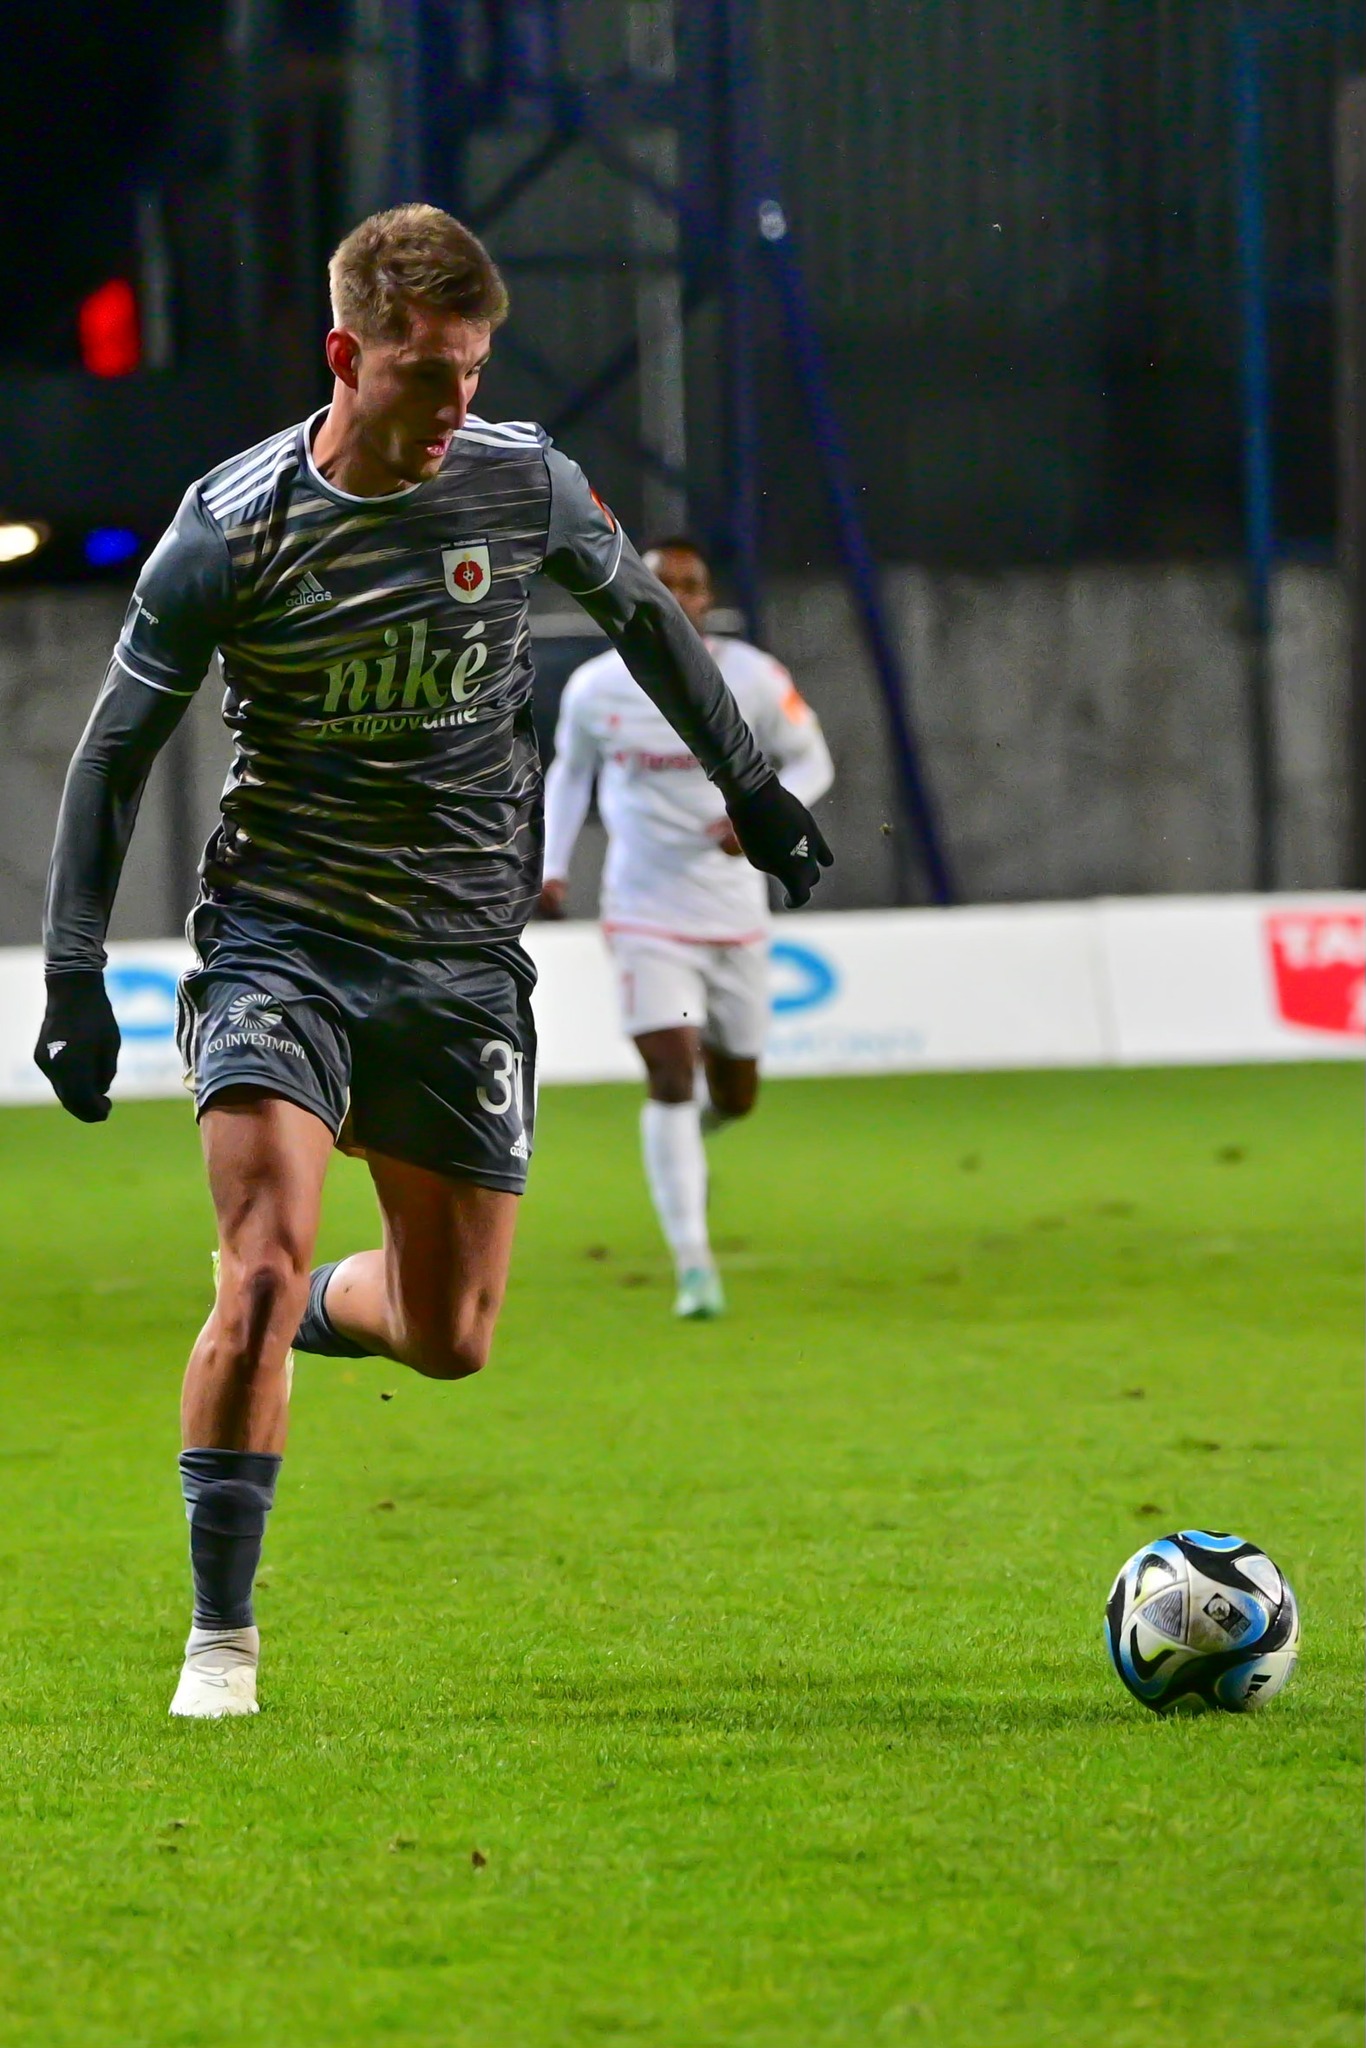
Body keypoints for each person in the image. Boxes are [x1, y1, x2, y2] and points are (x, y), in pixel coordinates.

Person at [35, 205, 832, 1719]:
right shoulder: (233, 523)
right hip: (283, 942)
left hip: (460, 959)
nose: (456, 401)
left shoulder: (522, 480)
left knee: (452, 1334)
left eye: (472, 370)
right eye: (424, 372)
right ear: (347, 357)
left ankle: (309, 1306)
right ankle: (221, 1642)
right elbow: (112, 753)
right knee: (254, 1263)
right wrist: (73, 972)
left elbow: (646, 620)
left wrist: (753, 783)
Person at [539, 538, 834, 1318]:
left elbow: (813, 761)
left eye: (690, 584)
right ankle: (694, 1265)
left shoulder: (755, 677)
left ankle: (684, 1155)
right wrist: (551, 865)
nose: (676, 595)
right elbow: (570, 774)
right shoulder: (597, 688)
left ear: (708, 597)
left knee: (735, 1095)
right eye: (660, 581)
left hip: (734, 915)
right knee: (670, 1072)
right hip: (644, 911)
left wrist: (767, 815)